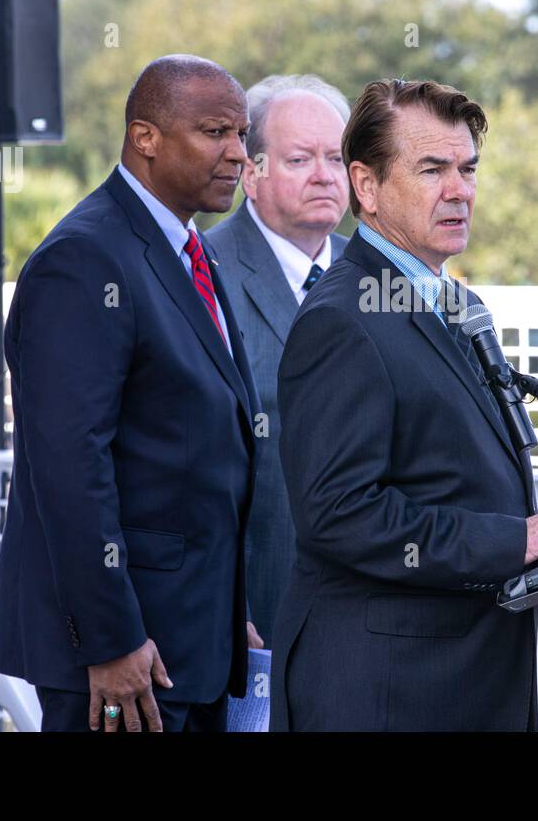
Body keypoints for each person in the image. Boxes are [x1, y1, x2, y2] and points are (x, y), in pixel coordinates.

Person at [270, 78, 538, 731]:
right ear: (367, 187)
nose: (459, 190)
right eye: (432, 169)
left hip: (465, 680)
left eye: (467, 169)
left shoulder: (458, 304)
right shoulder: (343, 319)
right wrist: (516, 538)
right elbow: (339, 513)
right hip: (385, 694)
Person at [0, 55, 262, 732]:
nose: (237, 155)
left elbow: (187, 452)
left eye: (242, 135)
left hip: (191, 647)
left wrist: (227, 615)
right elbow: (69, 468)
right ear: (145, 137)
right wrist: (109, 640)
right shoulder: (83, 261)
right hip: (118, 666)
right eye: (214, 132)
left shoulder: (188, 252)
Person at [207, 74, 350, 649]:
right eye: (299, 159)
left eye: (337, 159)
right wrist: (222, 608)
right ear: (252, 173)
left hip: (363, 618)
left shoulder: (379, 281)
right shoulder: (201, 272)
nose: (324, 175)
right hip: (246, 617)